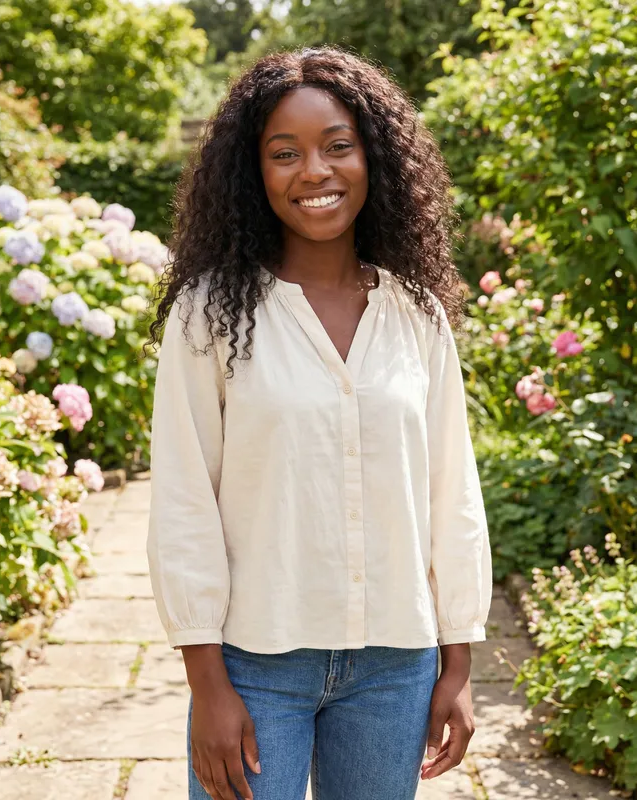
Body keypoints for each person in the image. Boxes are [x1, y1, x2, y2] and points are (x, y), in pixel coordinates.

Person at [146, 46, 492, 800]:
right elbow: (183, 503)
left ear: (375, 157)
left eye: (338, 145)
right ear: (253, 172)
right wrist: (206, 683)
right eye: (285, 153)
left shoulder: (416, 316)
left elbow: (451, 492)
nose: (315, 171)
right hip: (254, 664)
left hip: (396, 667)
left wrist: (457, 662)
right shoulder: (208, 315)